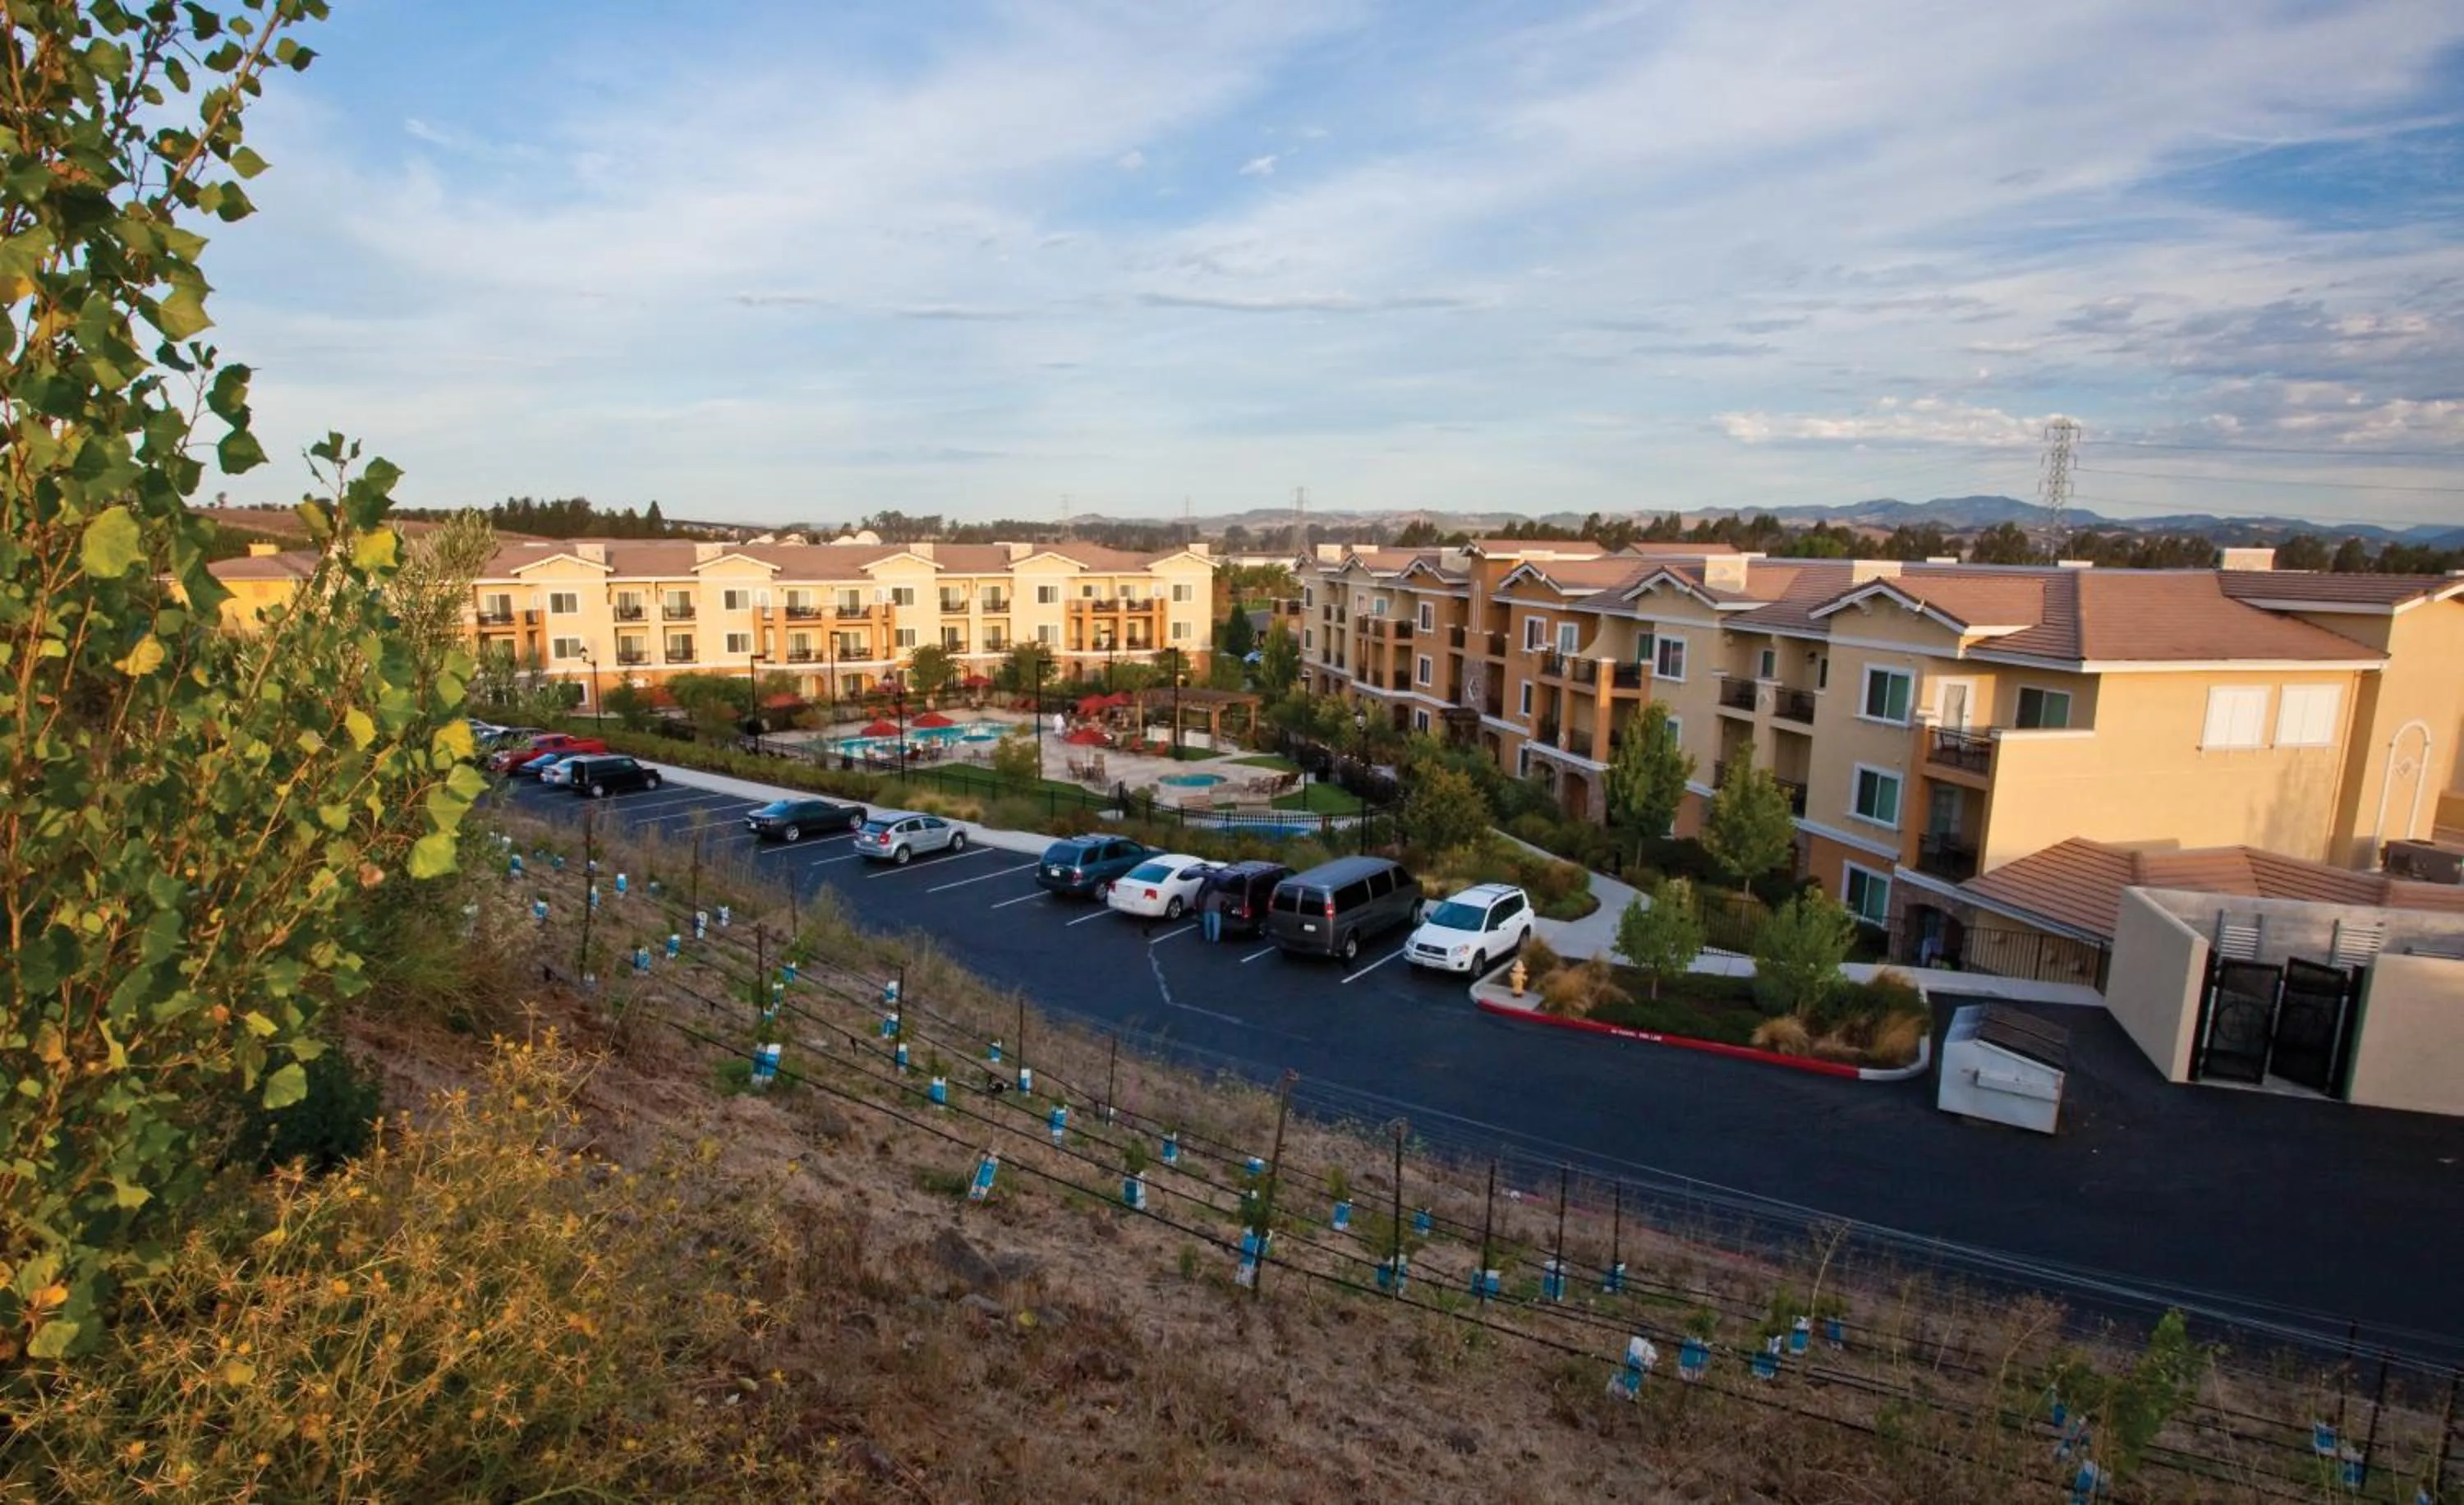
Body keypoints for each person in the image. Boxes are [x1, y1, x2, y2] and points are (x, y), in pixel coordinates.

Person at [1200, 871, 1228, 943]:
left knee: (1207, 924)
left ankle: (1208, 937)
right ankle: (1215, 939)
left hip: (1207, 908)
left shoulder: (1207, 890)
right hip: (1216, 910)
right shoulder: (1220, 892)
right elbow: (1226, 900)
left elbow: (1202, 896)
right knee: (1216, 925)